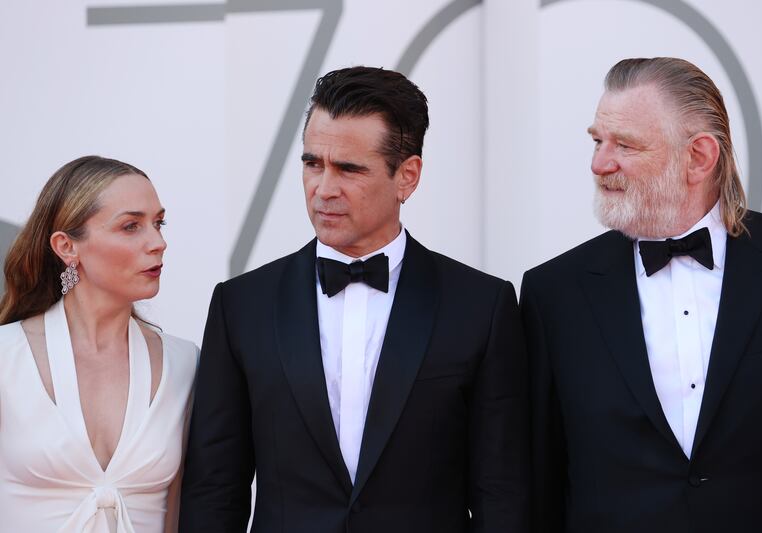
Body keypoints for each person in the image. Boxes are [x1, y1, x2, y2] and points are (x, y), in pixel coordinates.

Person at [180, 66, 530, 532]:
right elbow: (214, 489)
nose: (323, 189)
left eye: (348, 169)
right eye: (312, 164)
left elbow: (502, 492)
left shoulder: (481, 307)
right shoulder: (242, 306)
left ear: (407, 177)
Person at [521, 57, 762, 532]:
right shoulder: (554, 293)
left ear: (699, 156)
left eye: (625, 145)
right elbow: (538, 480)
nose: (599, 163)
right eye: (597, 141)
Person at [0, 156, 199, 532]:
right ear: (66, 246)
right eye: (130, 226)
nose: (158, 243)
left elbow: (177, 513)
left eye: (159, 223)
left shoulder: (183, 362)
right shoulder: (5, 358)